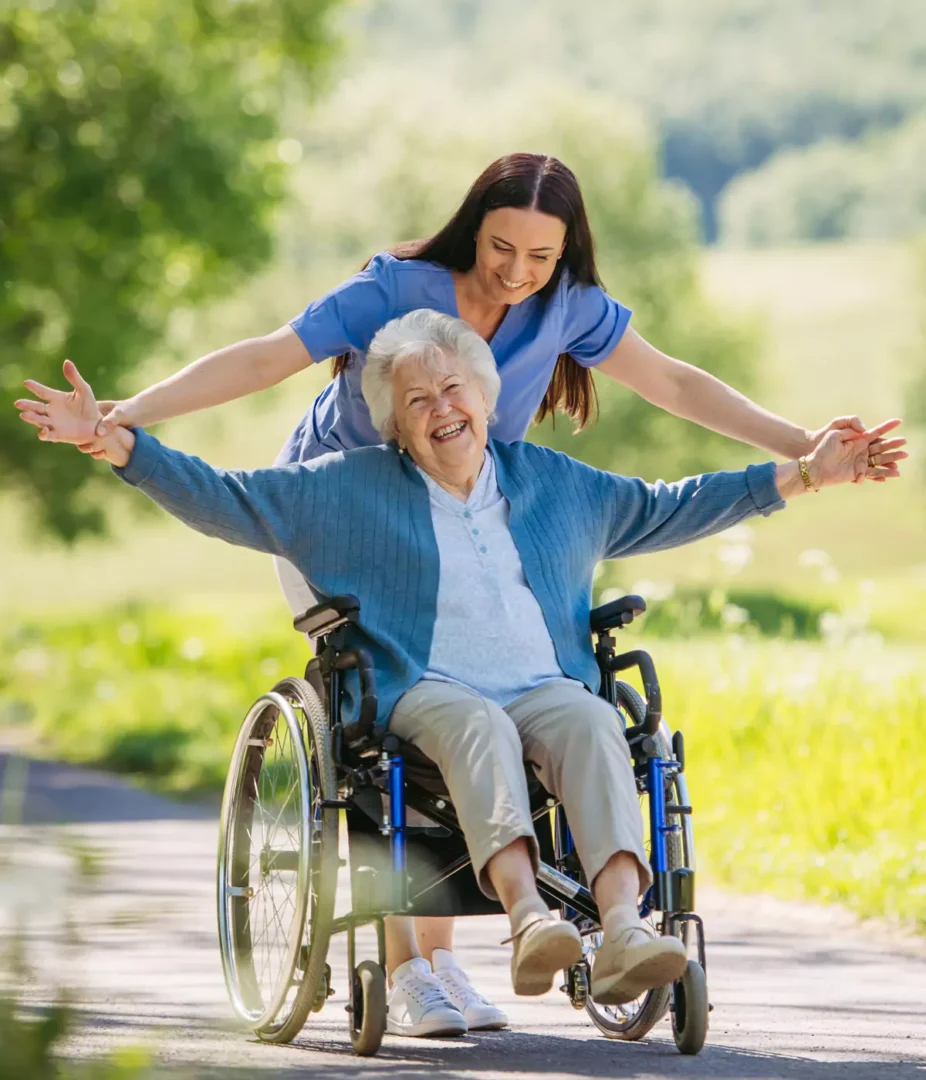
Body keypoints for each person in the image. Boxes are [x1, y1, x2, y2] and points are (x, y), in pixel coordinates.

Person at [14, 154, 906, 1034]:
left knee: (589, 718)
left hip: (485, 509)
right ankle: (422, 966)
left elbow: (673, 404)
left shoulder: (555, 418)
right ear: (471, 228)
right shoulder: (392, 302)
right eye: (500, 248)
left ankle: (615, 932)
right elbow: (261, 367)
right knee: (429, 706)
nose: (517, 273)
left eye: (540, 258)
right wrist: (122, 427)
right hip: (355, 511)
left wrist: (807, 457)